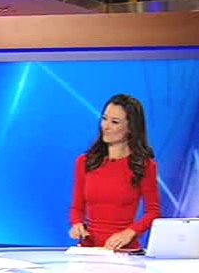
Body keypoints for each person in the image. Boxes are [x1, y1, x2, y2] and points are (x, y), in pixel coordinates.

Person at [69, 94, 162, 251]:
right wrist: (77, 224)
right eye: (104, 119)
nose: (105, 126)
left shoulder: (144, 165)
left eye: (114, 122)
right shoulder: (84, 162)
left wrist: (129, 233)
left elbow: (153, 212)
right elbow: (77, 207)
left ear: (131, 128)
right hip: (89, 251)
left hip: (124, 252)